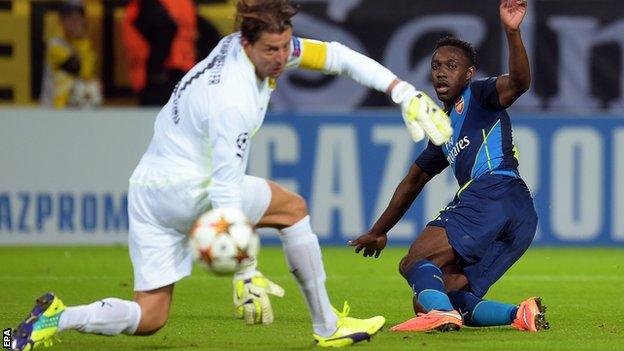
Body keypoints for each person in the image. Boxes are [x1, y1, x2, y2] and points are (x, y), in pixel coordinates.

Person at [11, 0, 451, 349]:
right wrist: (245, 273)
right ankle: (328, 325)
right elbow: (223, 188)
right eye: (271, 51)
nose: (281, 58)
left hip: (147, 191)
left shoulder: (239, 45)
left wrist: (403, 92)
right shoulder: (233, 100)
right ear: (247, 45)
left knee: (150, 317)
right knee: (293, 209)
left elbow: (336, 56)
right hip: (191, 188)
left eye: (285, 47)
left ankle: (49, 321)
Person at [349, 0, 550, 333]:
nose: (440, 71)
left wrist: (512, 32)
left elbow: (519, 83)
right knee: (445, 294)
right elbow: (413, 181)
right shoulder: (441, 129)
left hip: (493, 191)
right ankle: (520, 314)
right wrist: (379, 230)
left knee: (414, 261)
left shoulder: (480, 94)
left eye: (451, 65)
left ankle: (441, 314)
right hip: (519, 216)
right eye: (436, 65)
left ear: (468, 73)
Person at [122, 0, 197, 106]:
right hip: (183, 70)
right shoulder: (183, 3)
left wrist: (156, 71)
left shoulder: (147, 4)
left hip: (159, 77)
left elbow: (166, 28)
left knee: (155, 118)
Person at [40, 0, 102, 108]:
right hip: (53, 110)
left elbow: (87, 77)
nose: (74, 23)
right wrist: (82, 42)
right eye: (70, 18)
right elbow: (76, 68)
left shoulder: (86, 46)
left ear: (83, 20)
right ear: (62, 21)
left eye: (78, 18)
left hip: (75, 111)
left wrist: (82, 43)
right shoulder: (55, 45)